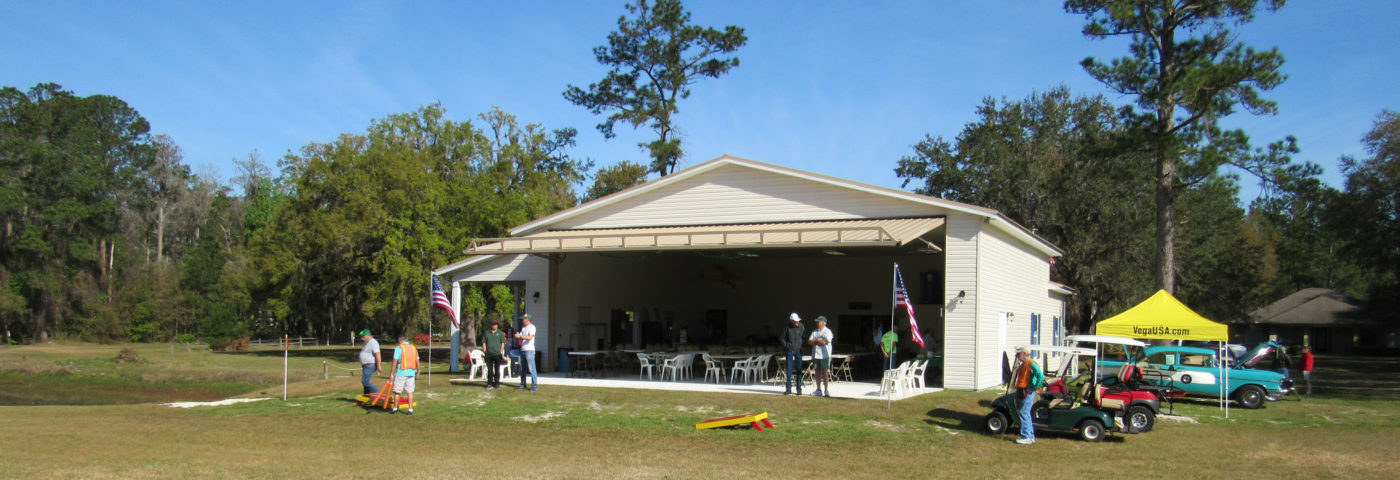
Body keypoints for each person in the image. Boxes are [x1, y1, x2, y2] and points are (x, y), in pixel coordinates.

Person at [1012, 345, 1044, 445]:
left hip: (1028, 392)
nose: (1017, 355)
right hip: (1022, 391)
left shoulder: (1031, 364)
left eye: (1019, 354)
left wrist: (1032, 388)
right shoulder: (1023, 365)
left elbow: (1040, 376)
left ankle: (1027, 436)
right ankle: (1030, 435)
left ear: (1024, 354)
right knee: (1025, 413)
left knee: (1024, 412)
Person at [390, 334, 419, 415]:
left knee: (397, 391)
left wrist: (392, 373)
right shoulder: (413, 348)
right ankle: (410, 409)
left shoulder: (399, 348)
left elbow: (395, 361)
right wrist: (418, 371)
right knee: (410, 392)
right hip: (411, 372)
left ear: (400, 340)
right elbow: (417, 360)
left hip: (401, 372)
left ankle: (395, 408)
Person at [779, 312, 806, 395]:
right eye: (795, 321)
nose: (797, 322)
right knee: (789, 369)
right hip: (789, 350)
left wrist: (801, 345)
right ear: (792, 321)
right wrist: (787, 346)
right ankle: (788, 389)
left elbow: (804, 337)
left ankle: (799, 389)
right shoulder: (787, 328)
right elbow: (781, 338)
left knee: (799, 369)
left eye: (797, 321)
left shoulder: (801, 327)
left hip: (798, 350)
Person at [808, 316, 834, 397]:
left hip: (824, 355)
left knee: (825, 373)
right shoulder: (815, 331)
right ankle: (818, 389)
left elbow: (825, 342)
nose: (817, 323)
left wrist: (816, 341)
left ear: (824, 323)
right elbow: (809, 341)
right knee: (817, 373)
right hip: (815, 355)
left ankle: (826, 390)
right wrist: (817, 340)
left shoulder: (827, 331)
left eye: (819, 322)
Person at [515, 314, 538, 391]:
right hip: (523, 349)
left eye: (523, 319)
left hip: (529, 350)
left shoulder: (532, 327)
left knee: (532, 369)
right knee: (523, 368)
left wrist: (520, 336)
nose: (522, 321)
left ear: (527, 319)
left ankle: (534, 386)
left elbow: (530, 337)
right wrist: (518, 336)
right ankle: (523, 384)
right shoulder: (523, 328)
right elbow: (521, 336)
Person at [481, 320, 506, 389]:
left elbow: (503, 343)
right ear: (491, 325)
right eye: (493, 324)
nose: (495, 326)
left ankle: (497, 383)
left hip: (497, 354)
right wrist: (485, 351)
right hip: (489, 354)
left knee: (497, 369)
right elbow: (484, 342)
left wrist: (501, 352)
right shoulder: (487, 333)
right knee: (490, 370)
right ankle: (489, 383)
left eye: (496, 324)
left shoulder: (500, 333)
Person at [358, 329, 382, 395]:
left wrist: (379, 365)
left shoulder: (373, 342)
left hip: (370, 365)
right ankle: (366, 397)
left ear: (368, 335)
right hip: (366, 365)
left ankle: (378, 393)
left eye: (363, 337)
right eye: (361, 337)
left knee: (365, 381)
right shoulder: (367, 343)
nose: (362, 338)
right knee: (365, 383)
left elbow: (378, 354)